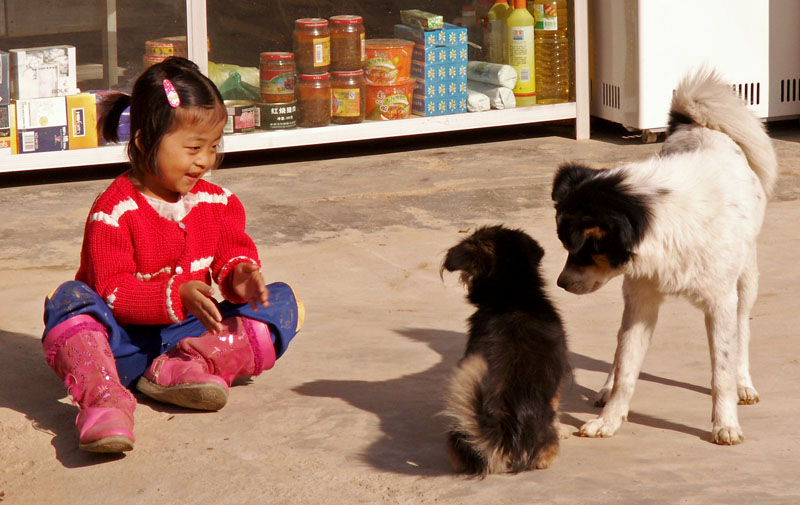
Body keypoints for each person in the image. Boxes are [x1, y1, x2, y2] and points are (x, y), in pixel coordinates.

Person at [40, 57, 304, 453]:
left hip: (190, 336)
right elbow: (112, 290)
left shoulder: (218, 202)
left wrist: (242, 275)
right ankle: (105, 399)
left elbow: (231, 252)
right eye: (194, 148)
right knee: (68, 301)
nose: (206, 160)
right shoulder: (114, 211)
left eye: (214, 147)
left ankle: (187, 368)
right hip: (122, 346)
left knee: (284, 301)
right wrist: (175, 294)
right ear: (145, 141)